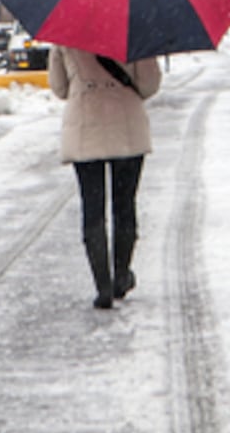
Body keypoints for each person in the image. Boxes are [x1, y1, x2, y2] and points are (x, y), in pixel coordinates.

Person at [49, 46, 164, 308]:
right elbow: (149, 85)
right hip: (126, 128)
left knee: (93, 209)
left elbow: (59, 88)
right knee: (124, 205)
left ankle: (102, 284)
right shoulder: (134, 32)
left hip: (84, 129)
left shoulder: (64, 35)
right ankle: (121, 276)